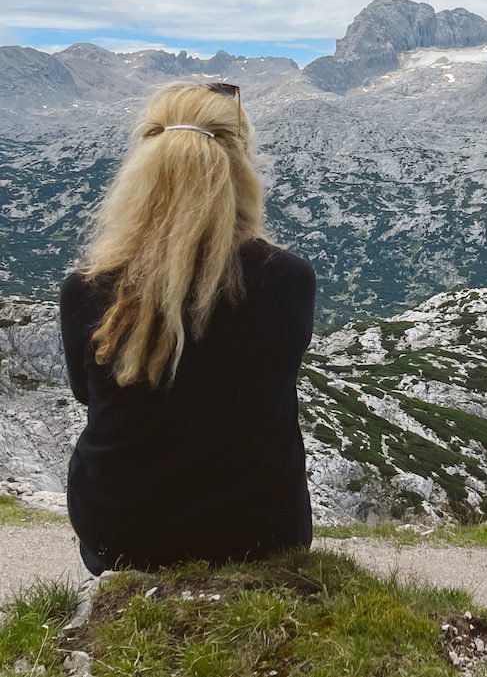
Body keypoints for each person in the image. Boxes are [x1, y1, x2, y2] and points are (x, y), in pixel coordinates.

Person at [58, 81, 316, 576]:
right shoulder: (288, 280)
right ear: (238, 174)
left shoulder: (85, 290)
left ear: (141, 175)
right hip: (263, 532)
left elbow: (88, 394)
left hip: (122, 534)